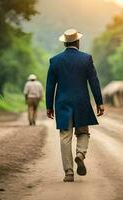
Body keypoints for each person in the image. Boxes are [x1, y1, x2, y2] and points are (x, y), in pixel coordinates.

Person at [46, 29, 104, 182]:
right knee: (83, 132)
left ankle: (69, 173)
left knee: (65, 137)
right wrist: (99, 102)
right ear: (77, 42)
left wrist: (49, 106)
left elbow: (50, 86)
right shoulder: (86, 59)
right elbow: (94, 82)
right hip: (81, 102)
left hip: (62, 103)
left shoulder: (55, 60)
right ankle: (80, 154)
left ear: (65, 43)